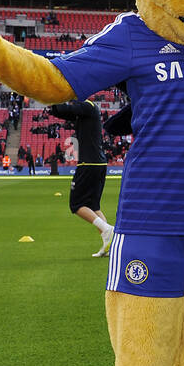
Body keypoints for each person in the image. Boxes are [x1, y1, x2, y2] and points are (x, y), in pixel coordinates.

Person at [46, 98, 114, 257]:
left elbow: (68, 110)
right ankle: (110, 243)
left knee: (76, 204)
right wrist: (52, 105)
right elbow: (64, 113)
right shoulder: (85, 111)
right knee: (93, 206)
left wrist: (54, 97)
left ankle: (107, 229)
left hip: (88, 164)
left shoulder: (88, 106)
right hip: (97, 164)